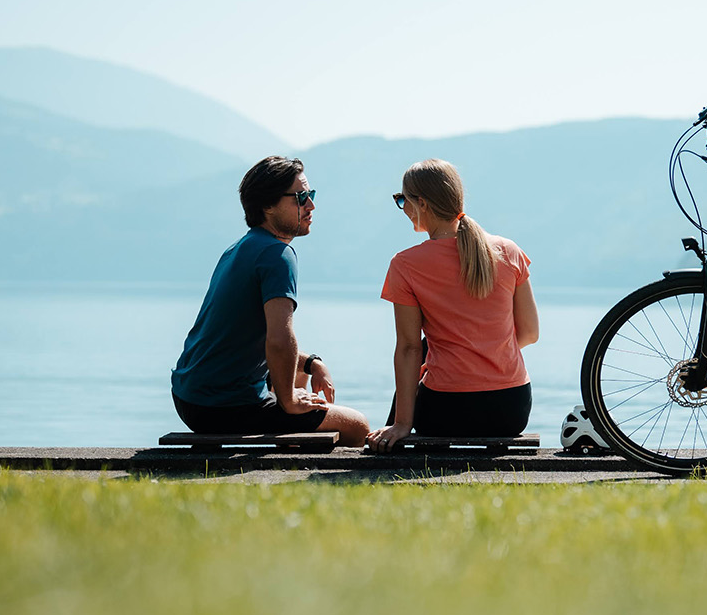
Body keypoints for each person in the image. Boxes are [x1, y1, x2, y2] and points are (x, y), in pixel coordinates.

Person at [171, 156, 370, 445]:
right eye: (301, 198)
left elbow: (246, 338)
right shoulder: (277, 255)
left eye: (310, 195)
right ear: (267, 206)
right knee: (358, 426)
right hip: (222, 406)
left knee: (298, 380)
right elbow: (278, 338)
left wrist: (311, 363)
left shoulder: (240, 248)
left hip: (190, 398)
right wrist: (288, 401)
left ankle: (288, 445)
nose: (311, 205)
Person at [367, 159, 539, 449]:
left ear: (421, 203)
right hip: (512, 409)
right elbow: (530, 334)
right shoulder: (509, 251)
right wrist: (484, 353)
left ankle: (390, 441)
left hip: (446, 411)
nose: (404, 209)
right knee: (425, 348)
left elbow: (408, 348)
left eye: (402, 200)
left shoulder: (406, 264)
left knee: (420, 348)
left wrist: (402, 424)